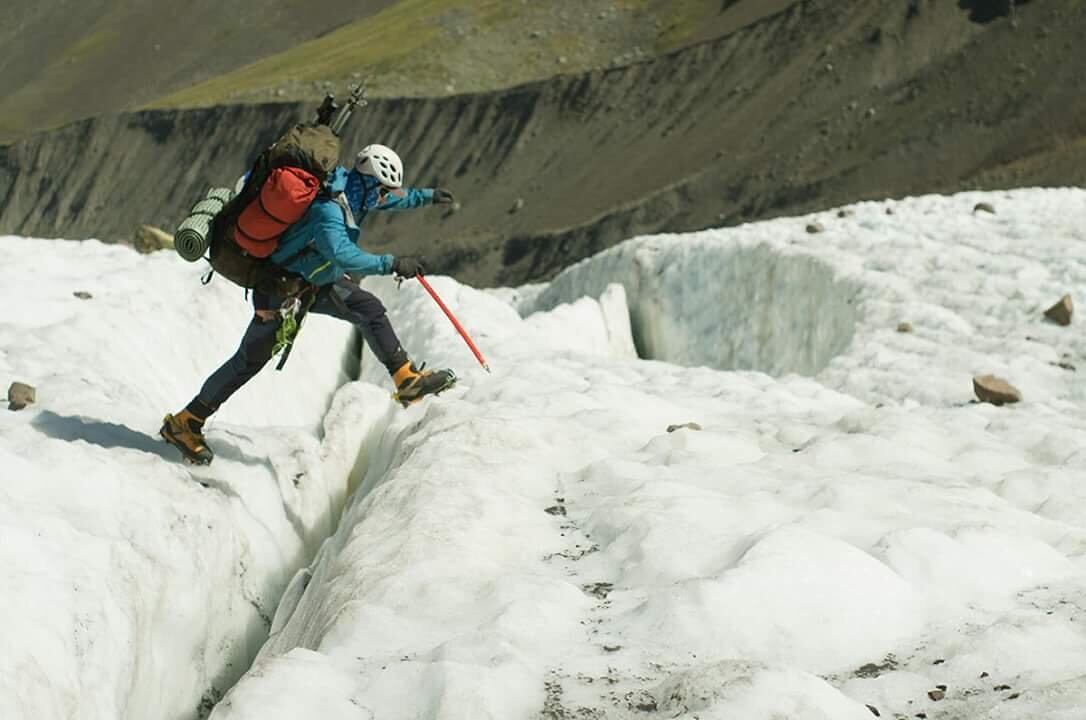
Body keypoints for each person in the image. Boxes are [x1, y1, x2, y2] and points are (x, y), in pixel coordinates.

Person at [161, 144, 457, 465]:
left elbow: (394, 198)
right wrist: (393, 263)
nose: (384, 196)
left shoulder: (355, 190)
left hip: (314, 282)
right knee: (248, 360)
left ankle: (406, 379)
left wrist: (427, 196)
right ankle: (185, 422)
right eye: (382, 190)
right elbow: (343, 254)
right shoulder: (328, 210)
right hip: (281, 290)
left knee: (368, 308)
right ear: (370, 182)